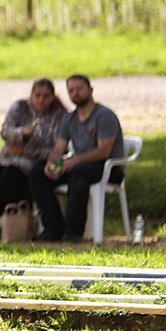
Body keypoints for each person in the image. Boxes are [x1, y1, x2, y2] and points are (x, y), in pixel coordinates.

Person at [28, 74, 126, 242]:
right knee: (37, 172)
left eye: (79, 89)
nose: (75, 93)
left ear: (90, 90)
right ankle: (53, 228)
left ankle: (73, 232)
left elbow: (104, 151)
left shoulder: (104, 115)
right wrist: (52, 163)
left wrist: (72, 162)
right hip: (79, 165)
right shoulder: (69, 119)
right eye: (71, 90)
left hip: (108, 167)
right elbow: (59, 148)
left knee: (78, 172)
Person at [0, 78, 67, 239]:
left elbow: (55, 150)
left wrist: (24, 151)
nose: (41, 100)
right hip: (5, 159)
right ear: (31, 94)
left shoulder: (58, 116)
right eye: (37, 95)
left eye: (46, 96)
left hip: (31, 165)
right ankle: (1, 220)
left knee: (10, 175)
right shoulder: (20, 107)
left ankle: (15, 223)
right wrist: (21, 132)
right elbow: (5, 132)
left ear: (52, 97)